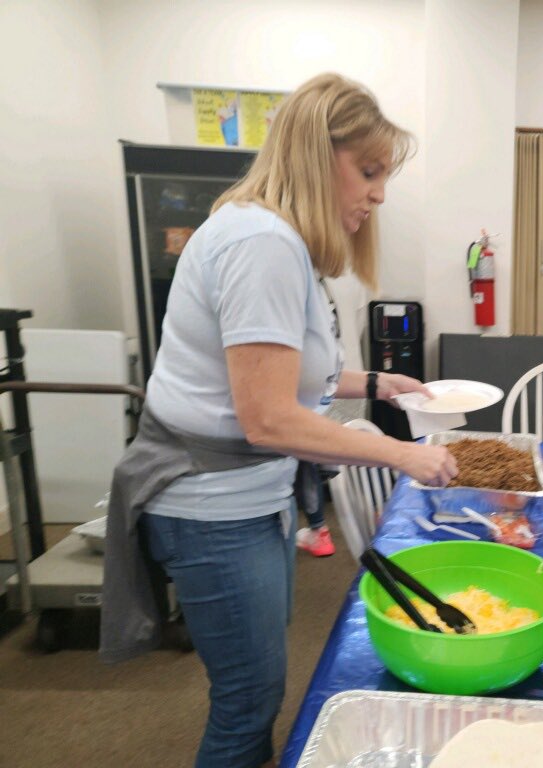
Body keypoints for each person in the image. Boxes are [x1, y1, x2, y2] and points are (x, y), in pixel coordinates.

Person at [100, 72, 458, 768]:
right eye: (369, 172)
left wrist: (378, 382)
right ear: (316, 155)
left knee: (256, 688)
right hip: (212, 508)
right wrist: (402, 455)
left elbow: (284, 373)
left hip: (250, 500)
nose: (380, 195)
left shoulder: (275, 238)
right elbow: (267, 417)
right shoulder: (261, 244)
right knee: (247, 702)